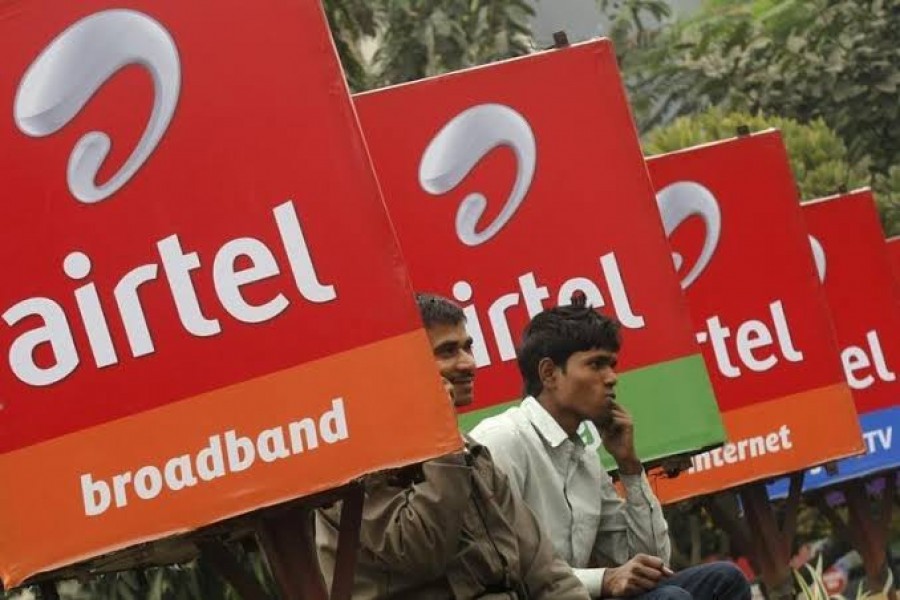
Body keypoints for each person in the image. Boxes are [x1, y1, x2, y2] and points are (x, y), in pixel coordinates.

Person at [470, 299, 750, 600]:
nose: (612, 378)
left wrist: (629, 466)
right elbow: (500, 567)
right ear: (549, 373)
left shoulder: (586, 458)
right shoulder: (501, 440)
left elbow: (653, 565)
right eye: (596, 364)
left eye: (612, 365)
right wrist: (603, 579)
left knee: (725, 579)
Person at [315, 293, 588, 599]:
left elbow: (544, 569)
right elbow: (420, 552)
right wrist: (443, 441)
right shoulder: (359, 463)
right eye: (447, 351)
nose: (468, 363)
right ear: (402, 366)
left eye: (467, 347)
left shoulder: (469, 449)